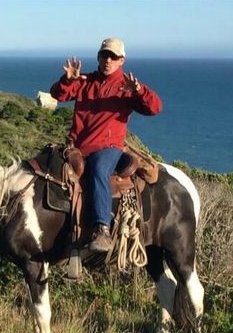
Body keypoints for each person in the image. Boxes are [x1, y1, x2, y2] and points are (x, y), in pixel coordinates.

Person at [50, 38, 162, 252]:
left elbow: (155, 108)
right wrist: (67, 79)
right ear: (98, 57)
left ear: (122, 60)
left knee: (99, 170)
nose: (108, 60)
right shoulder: (84, 81)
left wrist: (138, 90)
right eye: (104, 55)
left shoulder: (128, 87)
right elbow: (58, 94)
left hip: (107, 148)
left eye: (114, 57)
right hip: (77, 146)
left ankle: (102, 229)